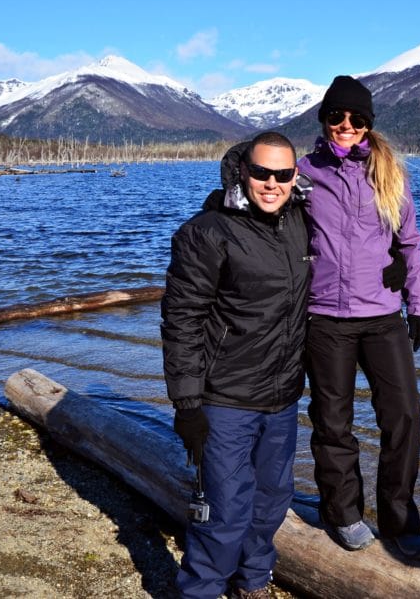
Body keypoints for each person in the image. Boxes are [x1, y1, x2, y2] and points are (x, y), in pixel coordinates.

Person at [161, 132, 310, 599]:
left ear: (295, 177)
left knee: (270, 505)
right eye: (262, 172)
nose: (271, 183)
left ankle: (253, 582)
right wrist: (186, 404)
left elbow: (357, 235)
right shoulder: (207, 231)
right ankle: (201, 590)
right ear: (242, 172)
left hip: (282, 396)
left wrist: (396, 267)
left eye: (282, 174)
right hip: (224, 398)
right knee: (223, 512)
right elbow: (181, 318)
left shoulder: (302, 221)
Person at [298, 75, 420, 561]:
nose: (346, 126)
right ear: (324, 119)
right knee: (332, 422)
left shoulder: (389, 173)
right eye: (337, 117)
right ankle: (343, 513)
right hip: (324, 319)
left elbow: (409, 244)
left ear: (368, 124)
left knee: (404, 419)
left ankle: (399, 518)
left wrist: (417, 307)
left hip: (382, 316)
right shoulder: (304, 173)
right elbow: (262, 204)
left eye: (356, 119)